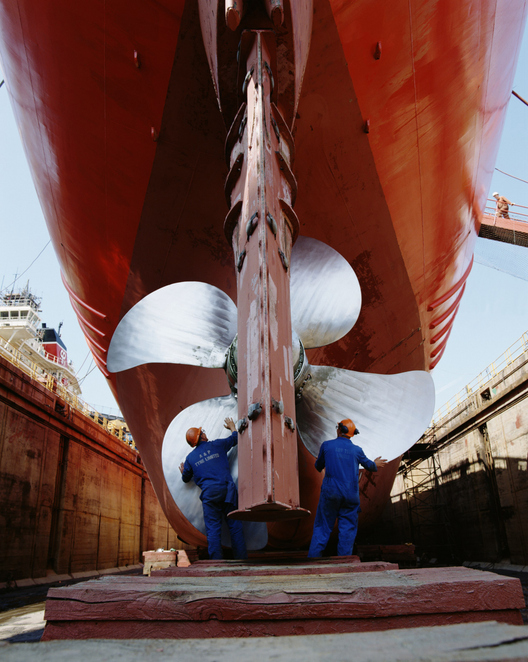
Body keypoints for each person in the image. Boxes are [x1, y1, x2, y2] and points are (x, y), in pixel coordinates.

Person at [307, 418, 387, 558]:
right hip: (350, 496)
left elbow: (318, 466)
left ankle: (314, 558)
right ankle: (344, 561)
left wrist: (320, 459)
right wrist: (375, 463)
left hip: (331, 494)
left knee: (323, 527)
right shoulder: (357, 450)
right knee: (347, 530)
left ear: (340, 430)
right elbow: (369, 466)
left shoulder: (327, 446)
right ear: (352, 433)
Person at [180, 417, 247, 560]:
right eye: (202, 431)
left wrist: (183, 471)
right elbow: (235, 439)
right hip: (227, 490)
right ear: (202, 436)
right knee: (235, 526)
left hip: (209, 495)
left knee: (213, 530)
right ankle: (242, 559)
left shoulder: (190, 459)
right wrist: (232, 427)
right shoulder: (217, 445)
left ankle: (216, 562)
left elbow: (185, 478)